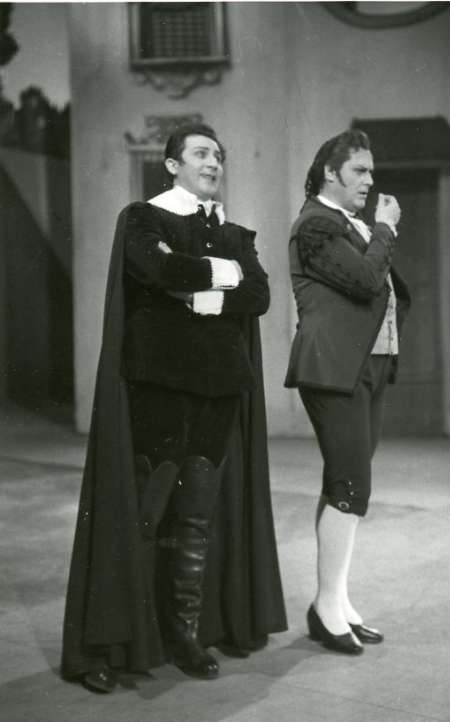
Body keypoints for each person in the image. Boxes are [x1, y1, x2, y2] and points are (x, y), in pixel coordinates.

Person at [61, 123, 287, 693]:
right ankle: (117, 640)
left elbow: (259, 295)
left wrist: (198, 294)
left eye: (219, 155)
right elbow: (158, 270)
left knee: (195, 517)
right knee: (144, 512)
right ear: (172, 164)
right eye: (201, 153)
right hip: (158, 387)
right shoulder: (145, 218)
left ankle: (183, 633)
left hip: (218, 390)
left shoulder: (234, 232)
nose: (214, 162)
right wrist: (224, 274)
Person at [285, 129, 410, 655]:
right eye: (359, 170)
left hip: (365, 367)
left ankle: (335, 600)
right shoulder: (317, 222)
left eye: (371, 171)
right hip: (334, 370)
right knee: (350, 486)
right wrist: (385, 229)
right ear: (330, 173)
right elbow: (363, 280)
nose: (368, 180)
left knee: (346, 485)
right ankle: (326, 608)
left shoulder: (347, 223)